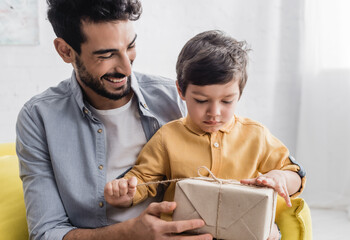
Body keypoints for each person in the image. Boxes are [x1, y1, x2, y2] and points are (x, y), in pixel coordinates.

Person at [15, 0, 213, 239]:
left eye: (130, 47)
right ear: (65, 51)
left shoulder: (177, 99)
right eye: (106, 55)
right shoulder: (39, 118)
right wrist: (130, 233)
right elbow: (46, 232)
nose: (127, 69)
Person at [103, 30, 306, 240]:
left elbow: (295, 175)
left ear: (240, 94)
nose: (214, 112)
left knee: (272, 233)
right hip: (185, 234)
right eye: (201, 100)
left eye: (227, 101)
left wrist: (280, 177)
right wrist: (125, 194)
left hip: (243, 231)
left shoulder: (256, 135)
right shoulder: (168, 137)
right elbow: (144, 179)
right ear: (181, 91)